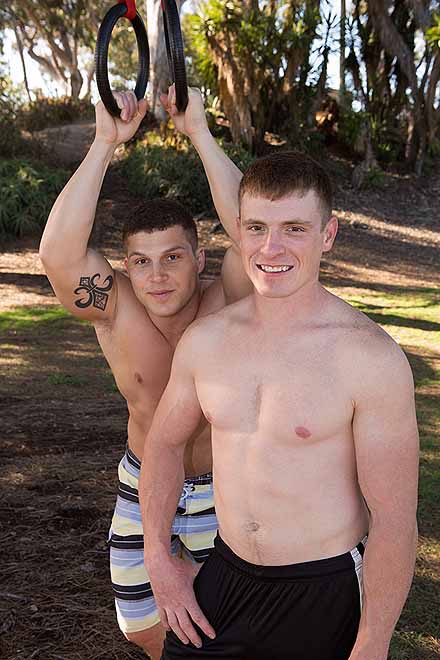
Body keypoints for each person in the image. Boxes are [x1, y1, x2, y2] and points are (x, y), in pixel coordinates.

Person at [140, 151, 419, 660]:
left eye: (294, 228)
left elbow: (394, 519)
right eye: (256, 228)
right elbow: (162, 445)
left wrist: (373, 641)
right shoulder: (206, 342)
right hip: (225, 574)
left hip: (322, 589)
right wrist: (156, 555)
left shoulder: (369, 358)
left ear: (327, 235)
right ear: (239, 231)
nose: (271, 248)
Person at [39, 88, 252, 659]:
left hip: (225, 489)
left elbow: (255, 232)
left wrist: (200, 133)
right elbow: (58, 256)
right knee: (141, 626)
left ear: (200, 259)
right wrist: (105, 141)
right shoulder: (116, 306)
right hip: (141, 485)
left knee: (224, 630)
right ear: (126, 267)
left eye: (173, 257)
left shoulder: (228, 304)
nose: (157, 277)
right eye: (141, 262)